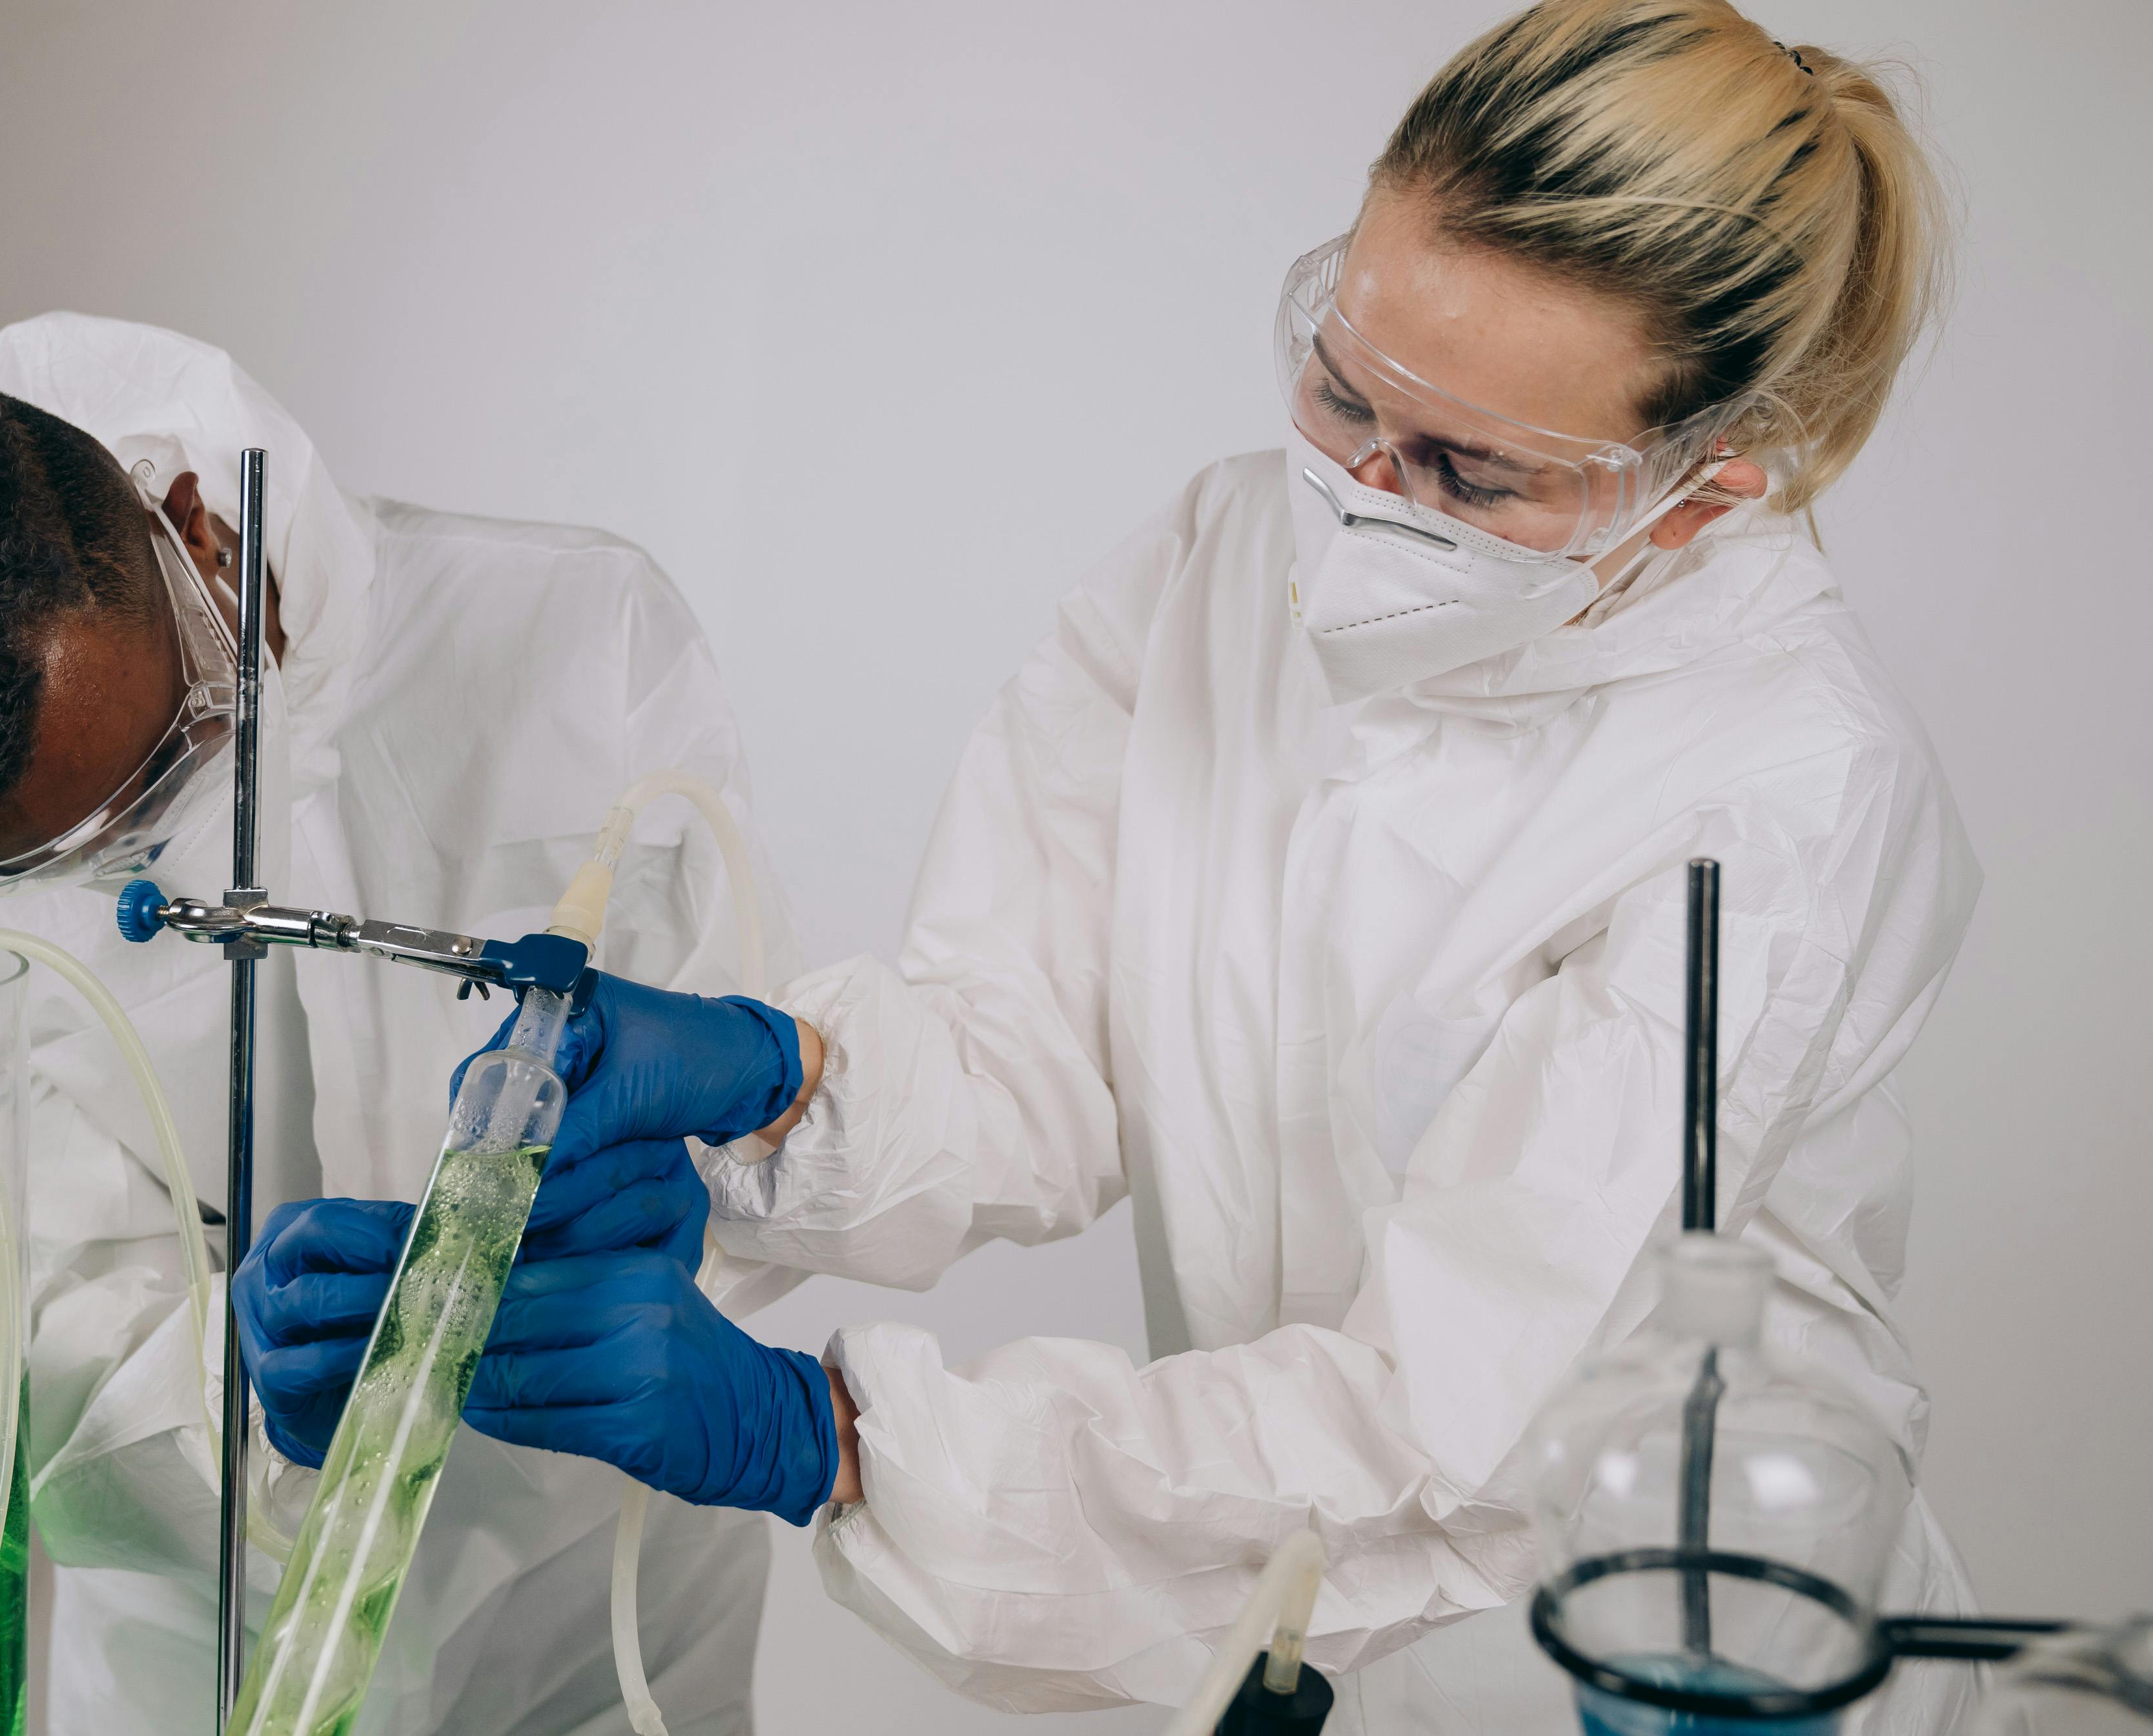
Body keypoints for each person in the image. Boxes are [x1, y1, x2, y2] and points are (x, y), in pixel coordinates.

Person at [338, 3, 1984, 1731]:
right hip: (1279, 1622)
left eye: (1471, 471)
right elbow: (1040, 1040)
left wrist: (830, 1439)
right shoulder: (1223, 556)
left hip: (1657, 1651)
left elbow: (1454, 1429)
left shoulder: (1785, 789)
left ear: (1701, 491)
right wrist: (763, 1089)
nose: (1359, 492)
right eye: (1341, 385)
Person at [0, 313, 796, 1735]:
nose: (148, 850)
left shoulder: (572, 633)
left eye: (159, 765)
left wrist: (682, 1200)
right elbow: (14, 1317)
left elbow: (772, 1109)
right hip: (206, 1627)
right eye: (50, 863)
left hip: (594, 1577)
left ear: (194, 531)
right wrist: (227, 1368)